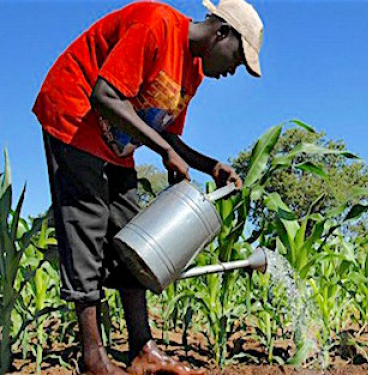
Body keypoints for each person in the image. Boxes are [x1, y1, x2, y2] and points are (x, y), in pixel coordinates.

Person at [32, 0, 264, 373]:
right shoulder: (155, 24)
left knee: (133, 237)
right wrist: (163, 150)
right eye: (238, 59)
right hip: (75, 117)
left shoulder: (193, 73)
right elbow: (104, 97)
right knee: (86, 229)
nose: (234, 70)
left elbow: (166, 132)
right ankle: (93, 356)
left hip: (117, 142)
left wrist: (209, 166)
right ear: (222, 33)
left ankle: (142, 350)